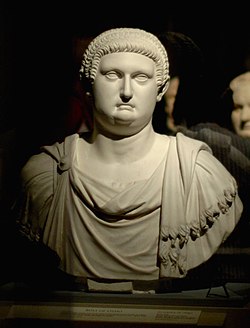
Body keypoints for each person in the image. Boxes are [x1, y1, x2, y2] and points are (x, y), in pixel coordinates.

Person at [13, 27, 243, 291]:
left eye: (141, 77)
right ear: (88, 84)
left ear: (160, 89)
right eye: (112, 75)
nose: (126, 90)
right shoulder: (46, 176)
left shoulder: (199, 173)